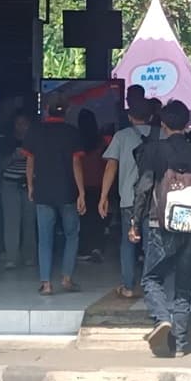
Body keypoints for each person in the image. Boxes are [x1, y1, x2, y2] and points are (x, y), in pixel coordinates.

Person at [129, 100, 191, 358]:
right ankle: (180, 345)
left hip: (160, 224)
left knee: (151, 278)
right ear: (187, 124)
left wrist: (135, 222)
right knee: (183, 285)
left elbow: (144, 187)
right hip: (190, 224)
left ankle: (161, 319)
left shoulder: (153, 151)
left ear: (164, 123)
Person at [23, 93, 86, 295]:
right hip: (67, 191)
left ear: (46, 109)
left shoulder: (35, 131)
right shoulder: (71, 132)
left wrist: (30, 186)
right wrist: (82, 192)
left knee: (45, 238)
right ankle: (67, 278)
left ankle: (46, 283)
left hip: (43, 190)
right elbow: (76, 163)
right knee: (71, 234)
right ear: (66, 111)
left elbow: (29, 161)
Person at [99, 98, 162, 298]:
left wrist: (103, 196)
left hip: (129, 199)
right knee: (151, 243)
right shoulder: (161, 134)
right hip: (155, 199)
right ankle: (151, 286)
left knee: (128, 243)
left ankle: (127, 286)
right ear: (151, 116)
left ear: (129, 116)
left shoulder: (121, 136)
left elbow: (111, 166)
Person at [0, 111, 36, 269]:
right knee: (11, 222)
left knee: (30, 222)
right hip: (10, 184)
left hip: (30, 184)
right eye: (18, 123)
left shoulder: (36, 141)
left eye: (25, 123)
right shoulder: (5, 141)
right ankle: (12, 257)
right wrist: (14, 156)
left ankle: (30, 256)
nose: (22, 127)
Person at [77, 108, 109, 264]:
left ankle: (84, 249)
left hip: (81, 185)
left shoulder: (77, 142)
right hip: (99, 184)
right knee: (98, 218)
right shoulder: (101, 142)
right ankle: (98, 248)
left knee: (83, 219)